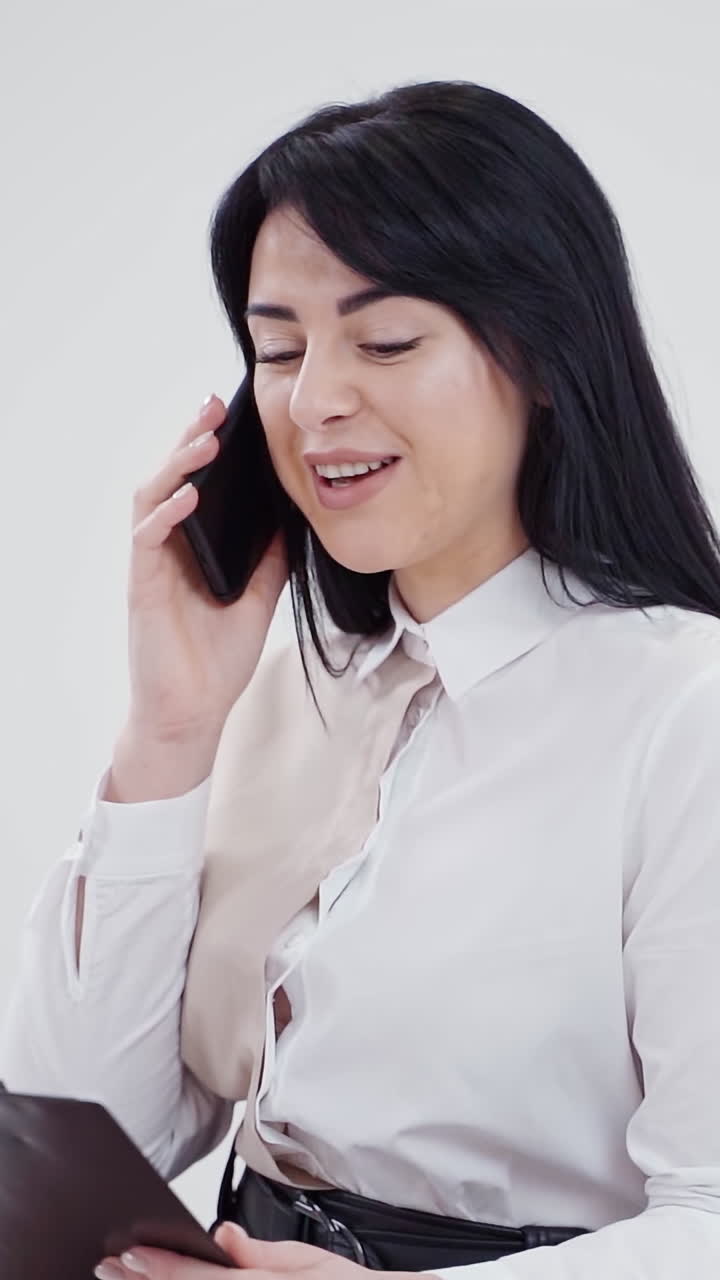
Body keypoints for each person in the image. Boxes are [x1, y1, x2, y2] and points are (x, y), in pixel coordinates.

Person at [2, 77, 720, 1280]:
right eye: (276, 346)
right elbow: (82, 1133)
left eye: (385, 340)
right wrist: (170, 732)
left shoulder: (684, 712)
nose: (313, 400)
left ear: (544, 355)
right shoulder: (287, 688)